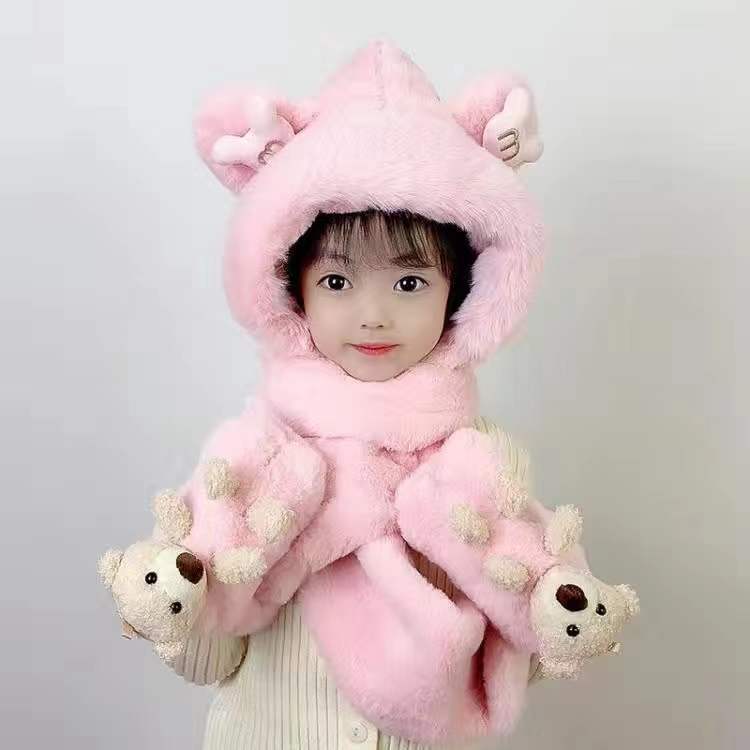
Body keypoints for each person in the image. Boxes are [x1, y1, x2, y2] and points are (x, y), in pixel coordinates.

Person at [136, 39, 592, 748]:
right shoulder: (259, 454)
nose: (373, 315)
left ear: (461, 294)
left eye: (409, 283)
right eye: (337, 282)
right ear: (291, 290)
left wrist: (538, 604)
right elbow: (210, 660)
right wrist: (184, 604)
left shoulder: (478, 460)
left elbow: (530, 648)